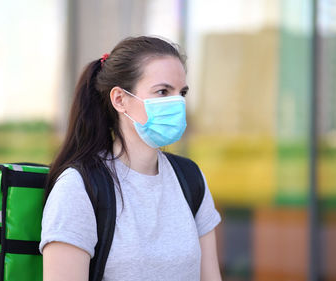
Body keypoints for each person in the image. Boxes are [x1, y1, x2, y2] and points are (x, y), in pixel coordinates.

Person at [40, 36, 222, 281]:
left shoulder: (190, 179)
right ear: (119, 99)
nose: (176, 103)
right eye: (163, 91)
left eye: (182, 93)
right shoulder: (78, 187)